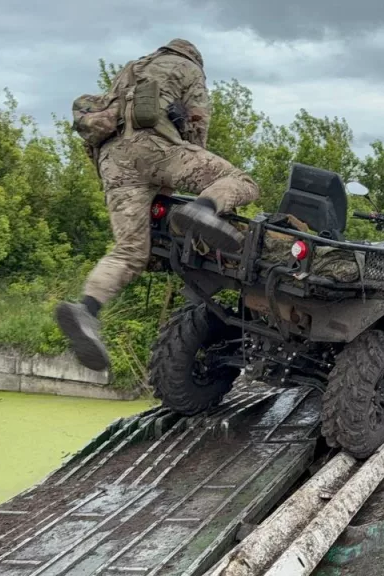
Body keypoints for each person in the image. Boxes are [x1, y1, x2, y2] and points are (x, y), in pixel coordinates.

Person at [56, 39, 261, 372]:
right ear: (195, 57)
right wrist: (198, 170)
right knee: (243, 182)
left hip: (113, 161)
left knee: (129, 251)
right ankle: (203, 208)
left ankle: (87, 310)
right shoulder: (189, 69)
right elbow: (197, 123)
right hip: (155, 148)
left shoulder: (132, 69)